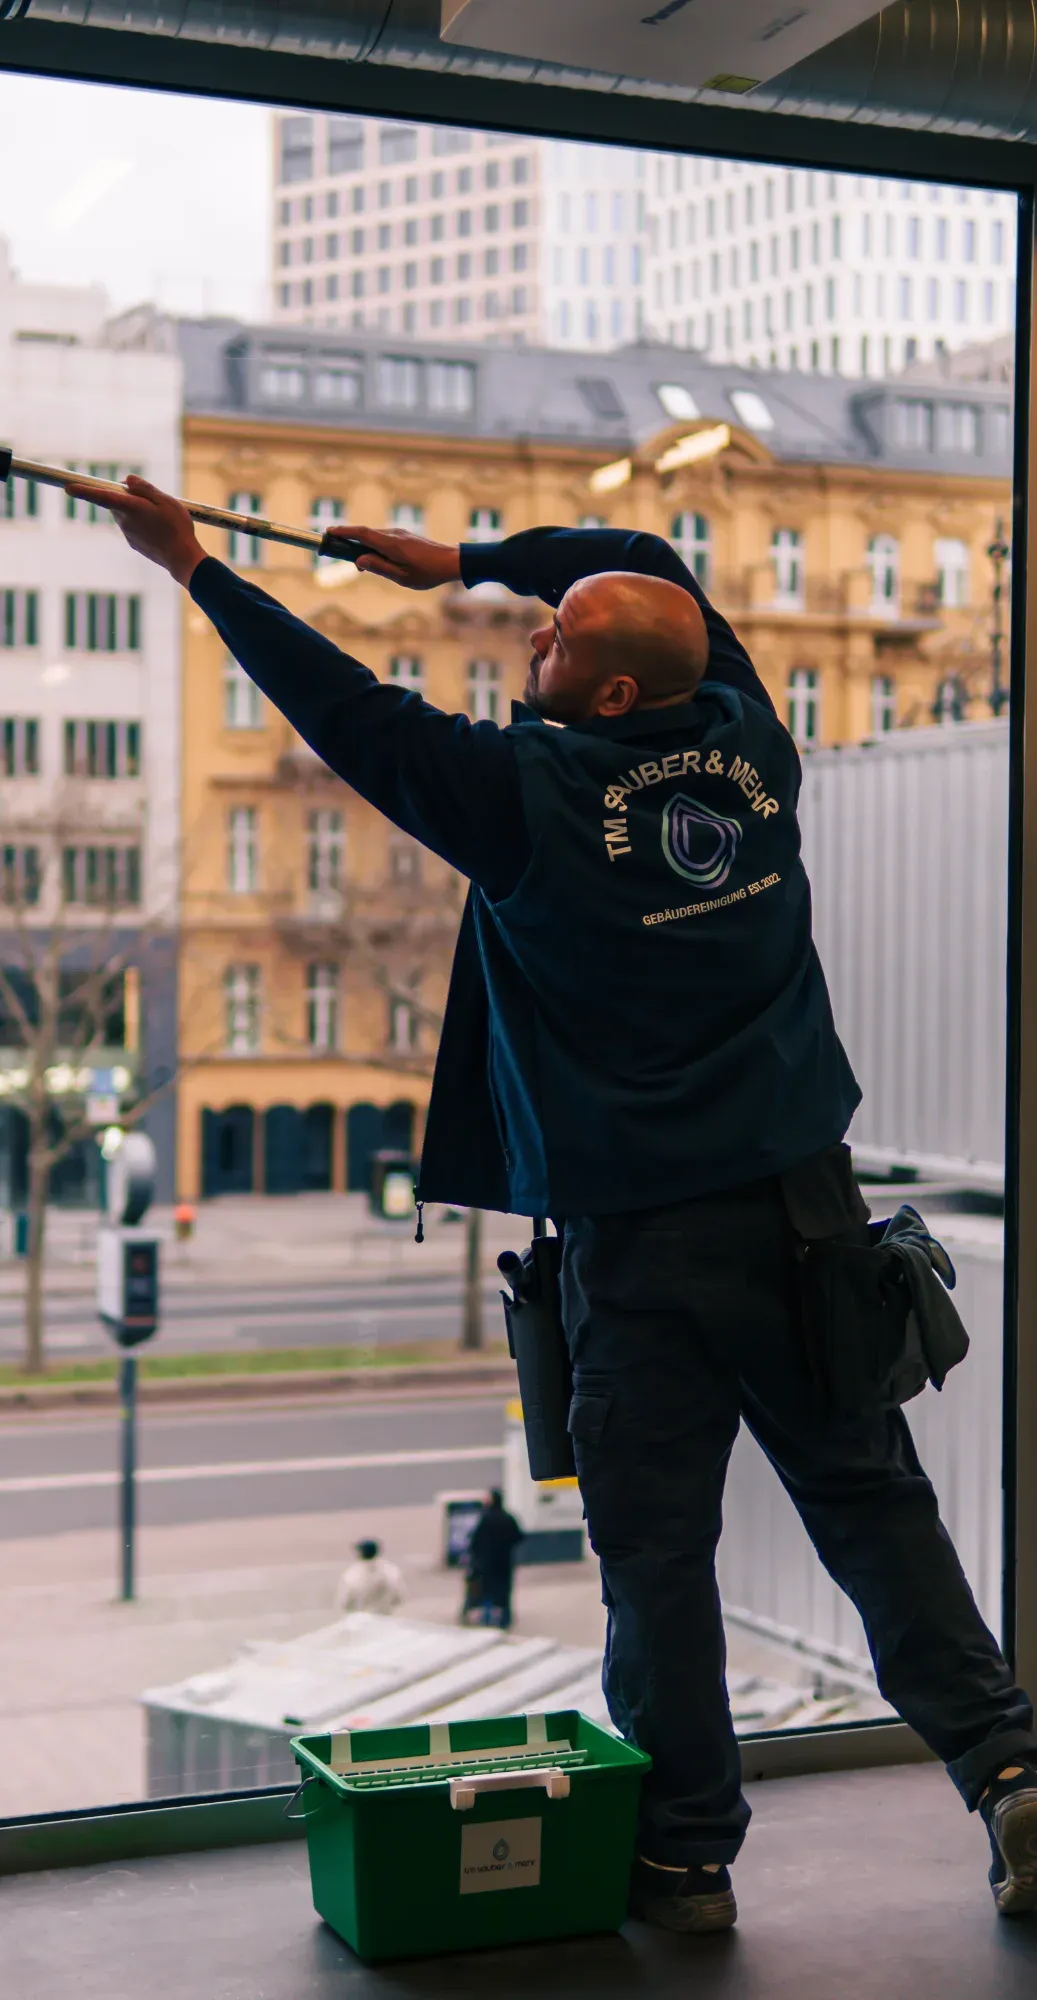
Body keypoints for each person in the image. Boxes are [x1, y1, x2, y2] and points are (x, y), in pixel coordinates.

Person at [67, 473, 1037, 1935]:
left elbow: (345, 708)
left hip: (646, 1253)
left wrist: (197, 568)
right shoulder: (754, 742)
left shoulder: (526, 800)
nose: (530, 644)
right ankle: (1012, 1771)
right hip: (808, 1220)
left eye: (554, 637)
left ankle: (686, 1859)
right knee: (876, 1513)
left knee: (658, 1565)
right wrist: (461, 562)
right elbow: (642, 560)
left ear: (615, 684)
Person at [465, 1489, 523, 1629]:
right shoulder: (508, 1518)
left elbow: (475, 1541)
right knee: (504, 1590)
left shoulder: (485, 1519)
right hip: (504, 1561)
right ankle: (505, 1618)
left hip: (486, 1562)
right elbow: (519, 1537)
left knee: (486, 1589)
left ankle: (486, 1615)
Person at [335, 1538, 406, 1614]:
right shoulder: (390, 1571)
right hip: (385, 1619)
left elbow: (345, 1602)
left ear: (359, 1553)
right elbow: (399, 1598)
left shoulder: (351, 1575)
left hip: (361, 1621)